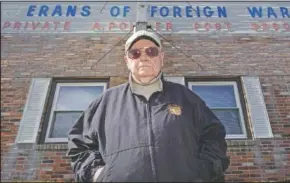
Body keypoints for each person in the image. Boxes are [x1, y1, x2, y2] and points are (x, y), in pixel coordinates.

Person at [66, 30, 230, 182]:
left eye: (151, 51)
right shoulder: (105, 102)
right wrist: (97, 174)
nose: (143, 57)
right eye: (135, 53)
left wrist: (203, 172)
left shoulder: (187, 98)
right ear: (127, 61)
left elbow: (214, 137)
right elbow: (79, 144)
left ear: (161, 58)